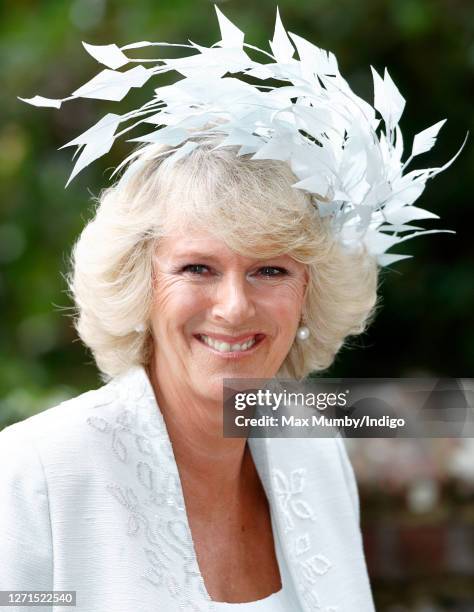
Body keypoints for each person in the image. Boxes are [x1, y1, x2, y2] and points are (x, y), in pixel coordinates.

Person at [3, 6, 459, 611]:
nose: (234, 306)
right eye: (198, 269)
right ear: (140, 283)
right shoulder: (34, 473)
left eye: (270, 270)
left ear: (309, 295)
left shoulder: (316, 454)